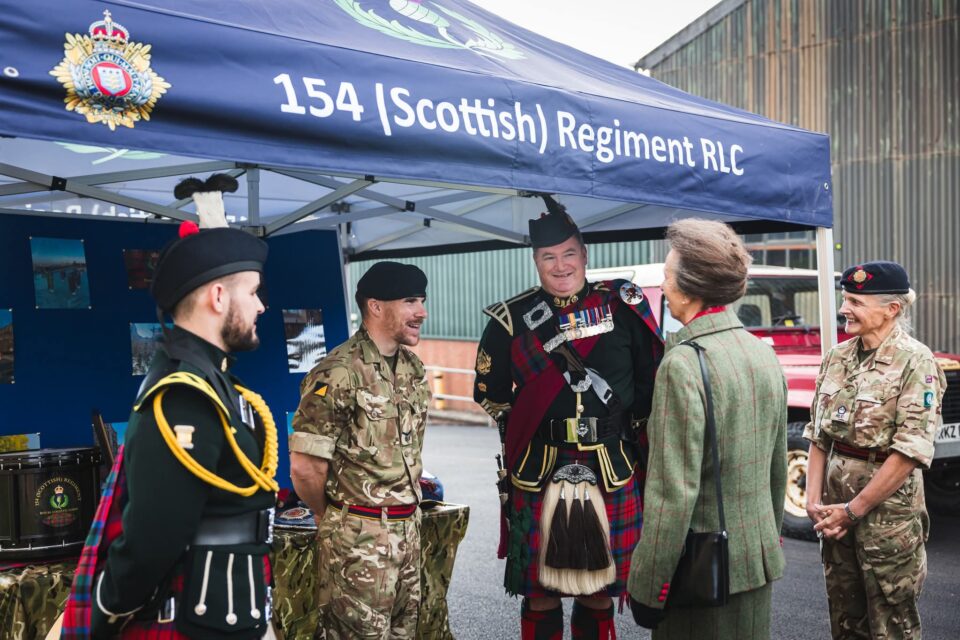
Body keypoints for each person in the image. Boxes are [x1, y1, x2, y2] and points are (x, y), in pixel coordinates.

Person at [62, 174, 280, 639]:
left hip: (227, 610)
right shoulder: (183, 396)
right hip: (197, 620)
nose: (261, 306)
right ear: (218, 297)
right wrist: (106, 612)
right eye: (253, 292)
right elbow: (151, 541)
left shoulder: (213, 383)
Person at [474, 196, 662, 639]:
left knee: (598, 592)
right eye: (548, 257)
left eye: (569, 254)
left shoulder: (622, 307)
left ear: (585, 254)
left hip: (611, 467)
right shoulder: (511, 319)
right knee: (540, 593)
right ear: (536, 261)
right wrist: (528, 427)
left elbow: (651, 384)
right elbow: (490, 393)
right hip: (538, 470)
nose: (560, 266)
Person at [627, 219, 787, 638]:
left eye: (665, 275)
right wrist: (765, 543)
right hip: (754, 563)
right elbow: (776, 468)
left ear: (689, 286)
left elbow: (672, 493)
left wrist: (648, 585)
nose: (662, 285)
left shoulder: (683, 363)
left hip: (700, 573)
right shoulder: (761, 352)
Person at [288, 261, 430, 639]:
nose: (422, 312)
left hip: (409, 533)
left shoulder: (412, 369)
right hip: (358, 539)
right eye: (411, 301)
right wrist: (331, 519)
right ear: (376, 306)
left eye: (422, 300)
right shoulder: (338, 371)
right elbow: (305, 467)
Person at [804, 260, 945, 639]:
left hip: (887, 518)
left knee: (890, 621)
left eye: (855, 301)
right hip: (833, 512)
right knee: (845, 615)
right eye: (845, 299)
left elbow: (910, 450)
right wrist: (812, 497)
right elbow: (819, 434)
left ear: (892, 309)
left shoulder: (916, 361)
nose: (843, 309)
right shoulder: (837, 357)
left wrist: (854, 510)